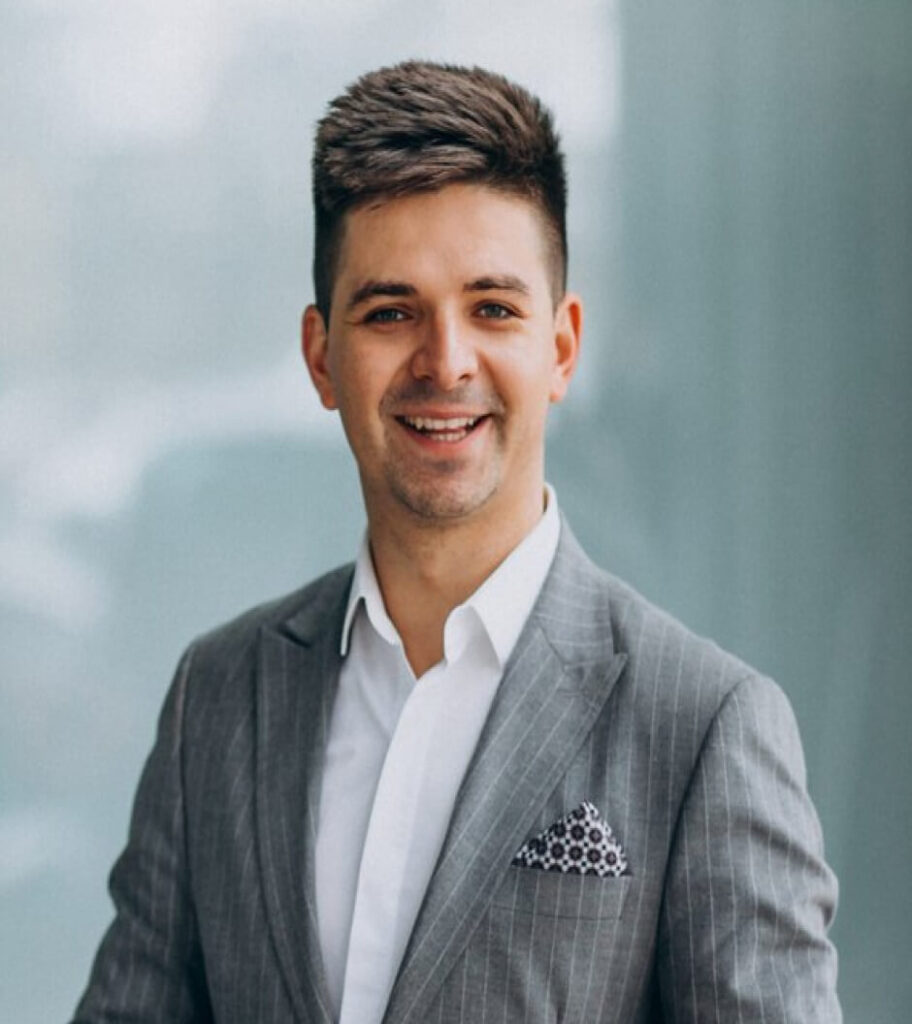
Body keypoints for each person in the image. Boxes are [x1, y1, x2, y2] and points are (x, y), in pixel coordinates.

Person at [72, 61, 841, 1023]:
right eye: (391, 312)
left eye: (493, 309)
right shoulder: (219, 697)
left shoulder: (703, 727)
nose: (445, 362)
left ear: (560, 347)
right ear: (321, 356)